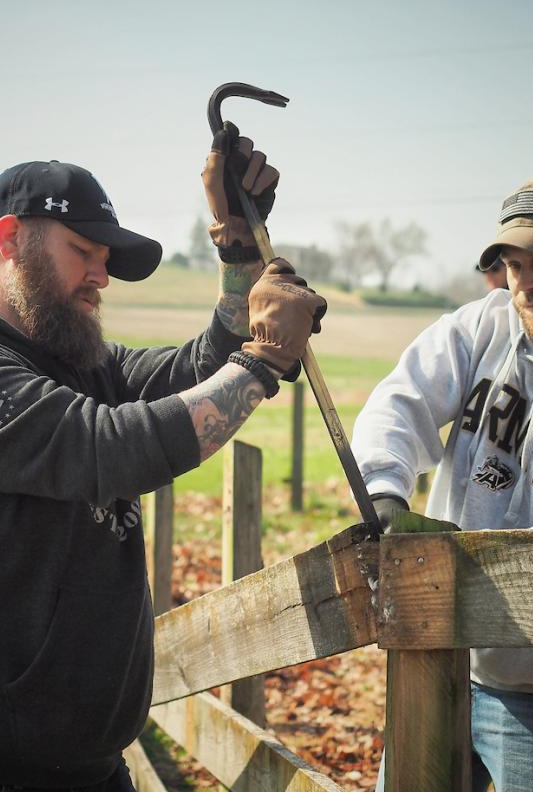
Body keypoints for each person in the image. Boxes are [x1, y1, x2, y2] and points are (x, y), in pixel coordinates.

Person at [0, 126, 326, 790]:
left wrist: (236, 241)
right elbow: (112, 448)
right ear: (8, 240)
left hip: (92, 759)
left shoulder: (81, 363)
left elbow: (197, 370)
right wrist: (263, 361)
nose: (101, 277)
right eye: (82, 252)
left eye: (105, 259)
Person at [352, 175, 533, 792]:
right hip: (439, 663)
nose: (525, 282)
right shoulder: (486, 326)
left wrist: (434, 584)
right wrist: (384, 493)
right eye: (512, 264)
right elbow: (399, 403)